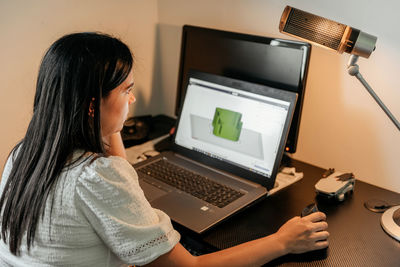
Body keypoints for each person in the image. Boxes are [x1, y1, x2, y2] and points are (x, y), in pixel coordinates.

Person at [0, 32, 329, 266]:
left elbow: (117, 170)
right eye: (126, 90)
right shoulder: (97, 178)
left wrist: (108, 122)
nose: (132, 100)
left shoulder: (25, 154)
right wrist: (283, 241)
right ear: (91, 106)